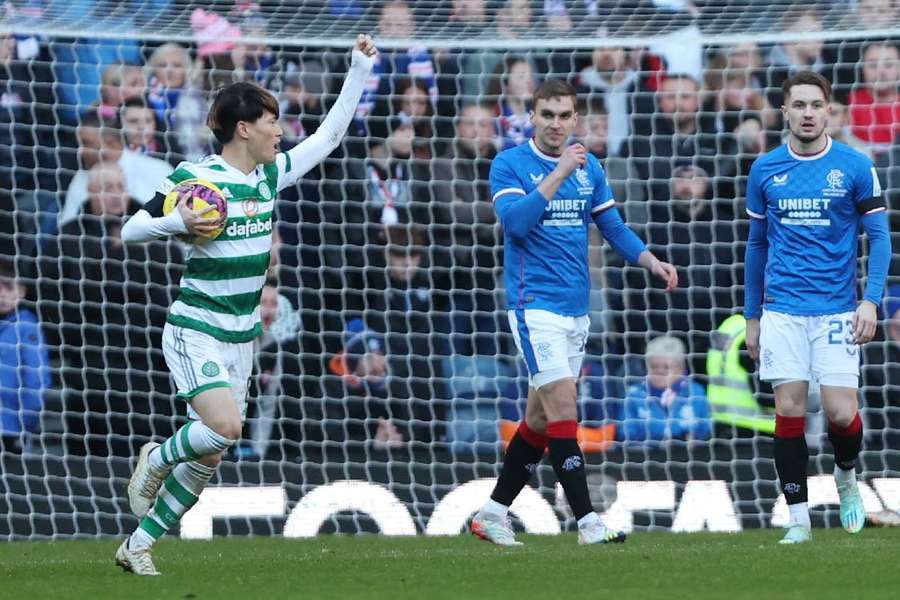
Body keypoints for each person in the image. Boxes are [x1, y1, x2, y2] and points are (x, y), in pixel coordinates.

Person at [113, 35, 378, 576]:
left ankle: (137, 545)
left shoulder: (270, 175)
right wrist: (178, 222)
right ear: (244, 128)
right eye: (272, 121)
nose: (280, 131)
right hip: (196, 328)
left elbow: (329, 136)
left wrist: (358, 70)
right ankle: (155, 459)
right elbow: (131, 228)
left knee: (209, 456)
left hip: (242, 337)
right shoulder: (197, 178)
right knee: (227, 429)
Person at [471, 79, 678, 546]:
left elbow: (613, 227)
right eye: (547, 115)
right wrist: (560, 172)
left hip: (575, 311)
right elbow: (515, 225)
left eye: (565, 116)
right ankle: (587, 522)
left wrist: (651, 261)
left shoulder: (591, 167)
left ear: (575, 119)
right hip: (533, 307)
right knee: (565, 407)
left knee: (541, 421)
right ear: (531, 116)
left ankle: (492, 513)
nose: (556, 124)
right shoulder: (511, 164)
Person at [743, 71, 891, 545]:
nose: (807, 113)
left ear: (829, 111)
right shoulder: (765, 169)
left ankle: (846, 478)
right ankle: (799, 519)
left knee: (841, 413)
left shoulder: (854, 165)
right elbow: (756, 246)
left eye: (815, 105)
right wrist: (752, 315)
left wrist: (870, 300)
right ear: (783, 111)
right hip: (782, 309)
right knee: (787, 408)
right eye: (798, 105)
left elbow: (881, 238)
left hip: (835, 309)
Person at [0, 258, 50, 454]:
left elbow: (36, 378)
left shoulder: (26, 326)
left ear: (21, 291)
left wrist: (26, 421)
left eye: (8, 287)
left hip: (12, 427)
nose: (2, 294)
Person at [622, 335, 711, 443]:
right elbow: (624, 435)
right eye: (654, 366)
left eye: (666, 367)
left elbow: (707, 432)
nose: (660, 371)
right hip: (646, 456)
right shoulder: (634, 395)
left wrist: (693, 439)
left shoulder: (696, 392)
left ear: (681, 368)